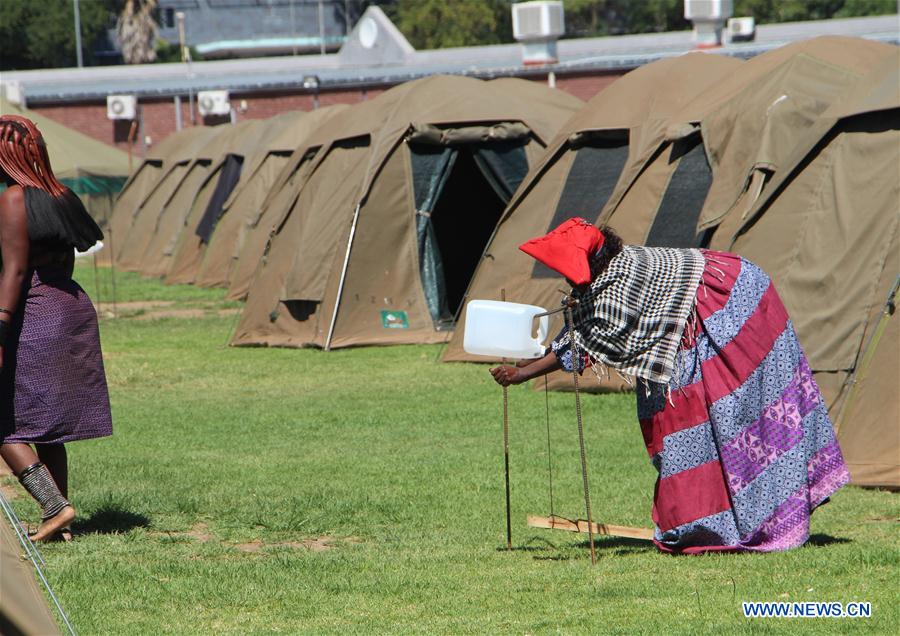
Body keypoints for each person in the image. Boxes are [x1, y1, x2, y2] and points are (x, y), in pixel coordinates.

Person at [490, 218, 850, 553]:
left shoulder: (621, 286)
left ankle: (758, 522)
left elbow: (587, 338)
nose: (568, 282)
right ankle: (712, 522)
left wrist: (524, 375)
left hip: (734, 309)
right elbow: (579, 327)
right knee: (682, 422)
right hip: (699, 318)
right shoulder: (609, 271)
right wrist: (528, 361)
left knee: (725, 417)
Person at [0, 115, 112, 542]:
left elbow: (13, 272)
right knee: (47, 426)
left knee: (5, 424)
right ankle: (59, 523)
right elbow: (67, 260)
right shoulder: (61, 195)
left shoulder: (13, 200)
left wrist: (1, 332)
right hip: (70, 307)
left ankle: (54, 506)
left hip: (32, 314)